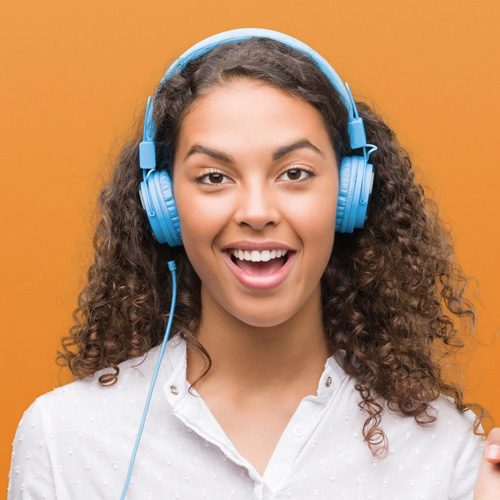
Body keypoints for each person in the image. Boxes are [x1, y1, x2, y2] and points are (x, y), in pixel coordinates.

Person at [7, 28, 500, 499]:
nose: (258, 212)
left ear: (349, 197)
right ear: (164, 205)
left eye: (295, 173)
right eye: (214, 177)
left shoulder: (448, 451)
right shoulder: (64, 440)